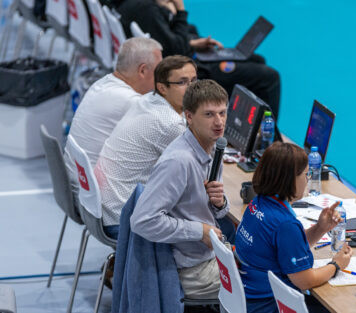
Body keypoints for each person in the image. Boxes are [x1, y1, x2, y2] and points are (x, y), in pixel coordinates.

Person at [131, 79, 231, 299]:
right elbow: (142, 221)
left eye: (222, 113)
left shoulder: (214, 149)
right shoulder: (178, 161)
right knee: (266, 284)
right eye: (209, 114)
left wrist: (220, 203)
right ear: (189, 116)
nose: (219, 122)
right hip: (191, 271)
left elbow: (206, 211)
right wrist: (200, 231)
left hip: (207, 256)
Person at [106, 0, 281, 119]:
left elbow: (169, 41)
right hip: (190, 71)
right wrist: (179, 11)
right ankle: (269, 142)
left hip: (187, 60)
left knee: (256, 59)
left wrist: (191, 41)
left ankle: (242, 126)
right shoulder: (146, 9)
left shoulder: (133, 5)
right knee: (269, 77)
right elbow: (176, 50)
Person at [234, 142, 353, 313]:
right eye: (306, 174)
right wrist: (336, 265)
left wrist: (320, 228)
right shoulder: (285, 224)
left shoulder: (258, 203)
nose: (307, 179)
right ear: (290, 179)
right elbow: (305, 280)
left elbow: (285, 247)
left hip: (249, 296)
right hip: (268, 304)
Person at [94, 55, 197, 239]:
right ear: (162, 87)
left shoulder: (149, 99)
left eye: (194, 80)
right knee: (207, 219)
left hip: (102, 208)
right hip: (121, 219)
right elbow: (196, 173)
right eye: (182, 82)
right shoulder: (169, 124)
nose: (193, 88)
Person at [64, 37, 162, 202]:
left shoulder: (101, 84)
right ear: (143, 71)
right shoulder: (131, 102)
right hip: (98, 202)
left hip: (80, 189)